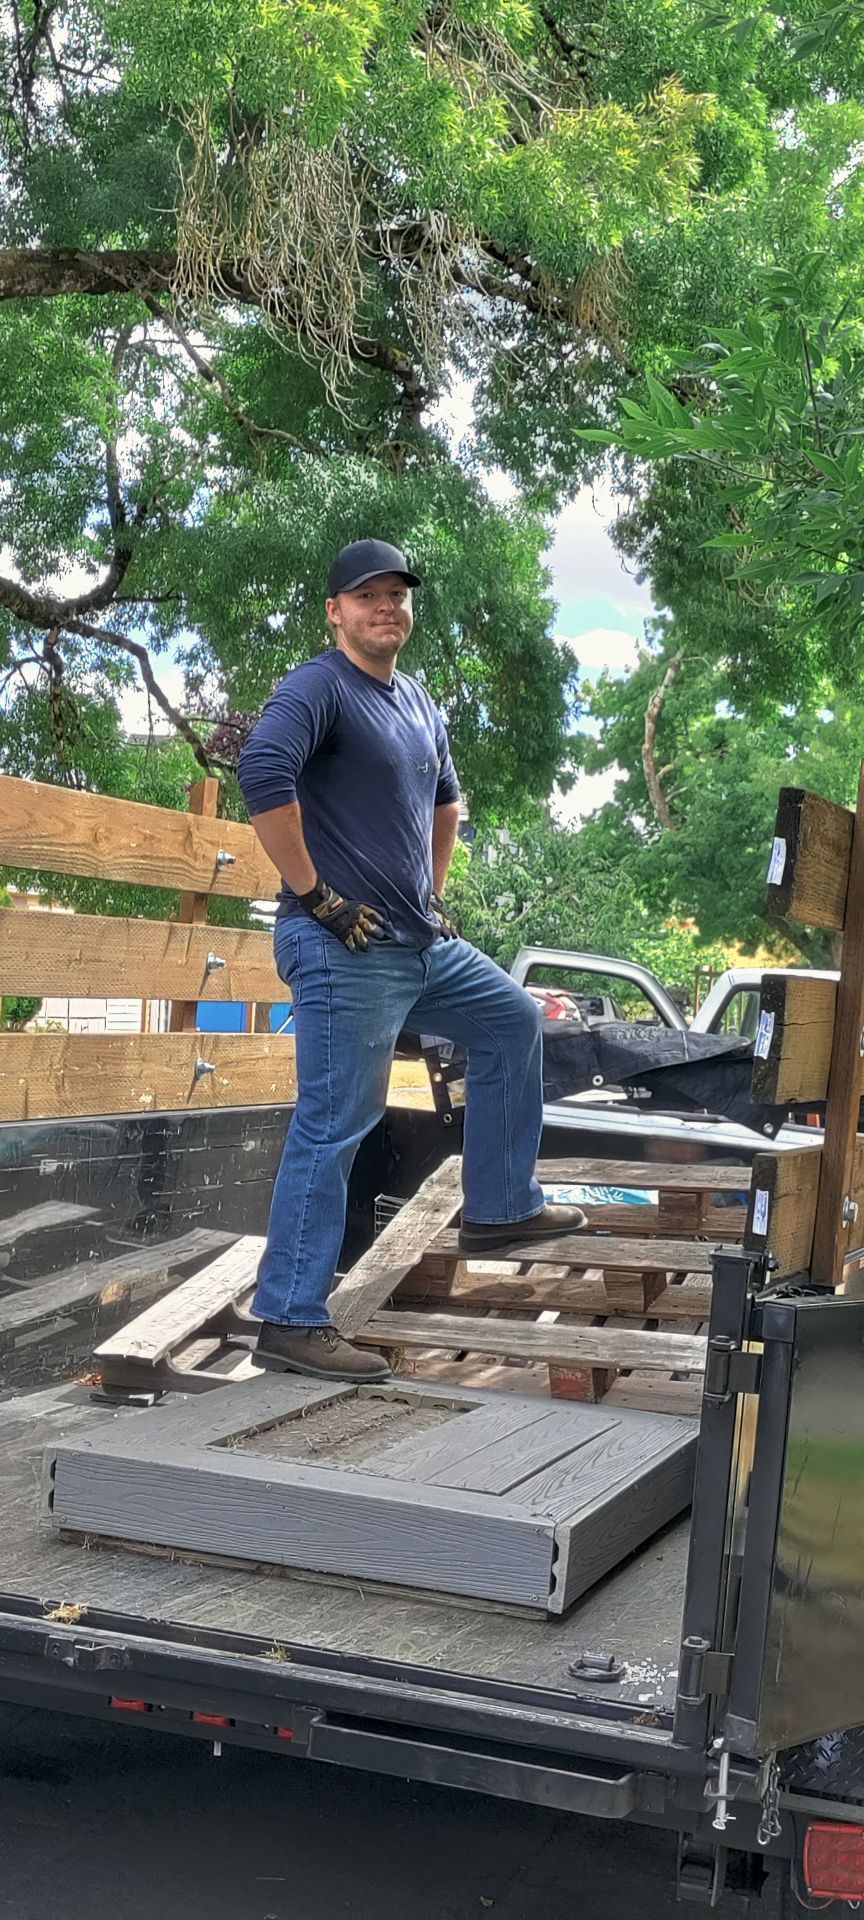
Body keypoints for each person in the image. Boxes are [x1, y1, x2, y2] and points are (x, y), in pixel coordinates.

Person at [237, 537, 585, 1381]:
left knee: (512, 1021)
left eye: (397, 595)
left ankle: (501, 1208)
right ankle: (288, 1317)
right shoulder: (320, 687)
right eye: (367, 596)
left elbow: (446, 803)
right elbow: (263, 772)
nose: (385, 607)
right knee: (335, 1123)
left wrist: (429, 895)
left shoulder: (419, 700)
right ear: (336, 612)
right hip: (341, 945)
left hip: (416, 942)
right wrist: (316, 894)